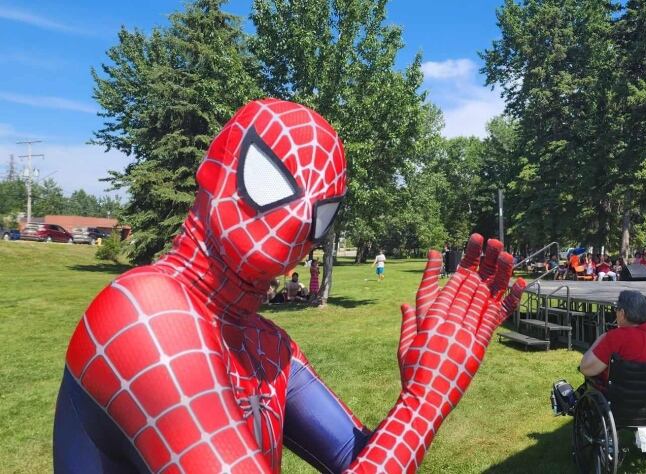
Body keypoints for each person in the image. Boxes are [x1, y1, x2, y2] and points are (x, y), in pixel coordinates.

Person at [53, 99, 527, 474]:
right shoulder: (143, 315)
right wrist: (423, 405)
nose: (299, 219)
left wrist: (422, 389)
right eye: (268, 178)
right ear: (212, 169)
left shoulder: (269, 345)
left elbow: (359, 457)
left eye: (322, 214)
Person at [579, 290, 646, 389]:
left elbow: (586, 368)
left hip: (619, 399)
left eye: (616, 309)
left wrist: (601, 338)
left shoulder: (615, 337)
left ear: (622, 313)